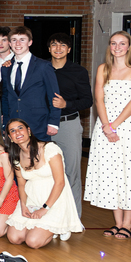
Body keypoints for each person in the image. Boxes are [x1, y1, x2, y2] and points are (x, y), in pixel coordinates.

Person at [85, 31, 131, 239]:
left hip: (128, 125)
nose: (118, 47)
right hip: (105, 125)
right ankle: (117, 222)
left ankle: (127, 224)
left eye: (122, 43)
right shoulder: (103, 68)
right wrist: (105, 125)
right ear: (109, 46)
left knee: (129, 171)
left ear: (129, 46)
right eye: (114, 43)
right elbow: (99, 99)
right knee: (111, 172)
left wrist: (115, 125)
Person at [4, 119, 84, 248]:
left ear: (28, 131)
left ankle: (58, 228)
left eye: (20, 128)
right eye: (12, 131)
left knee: (33, 241)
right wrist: (24, 206)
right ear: (10, 137)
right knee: (14, 237)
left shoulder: (49, 148)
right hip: (32, 198)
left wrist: (44, 209)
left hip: (54, 199)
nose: (17, 132)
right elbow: (22, 184)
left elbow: (60, 182)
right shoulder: (16, 156)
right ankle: (42, 229)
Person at [48, 33, 93, 215]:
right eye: (54, 44)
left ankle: (74, 217)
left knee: (71, 172)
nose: (58, 48)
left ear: (68, 49)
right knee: (45, 173)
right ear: (49, 48)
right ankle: (49, 215)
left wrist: (67, 104)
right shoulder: (41, 68)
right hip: (44, 126)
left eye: (62, 45)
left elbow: (87, 100)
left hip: (68, 124)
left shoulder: (78, 71)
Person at [1, 26, 60, 141]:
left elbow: (54, 95)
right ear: (9, 43)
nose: (18, 43)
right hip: (14, 127)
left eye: (22, 39)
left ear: (30, 42)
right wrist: (5, 123)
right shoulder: (6, 68)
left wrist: (53, 122)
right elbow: (5, 97)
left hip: (38, 125)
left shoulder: (43, 66)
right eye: (14, 40)